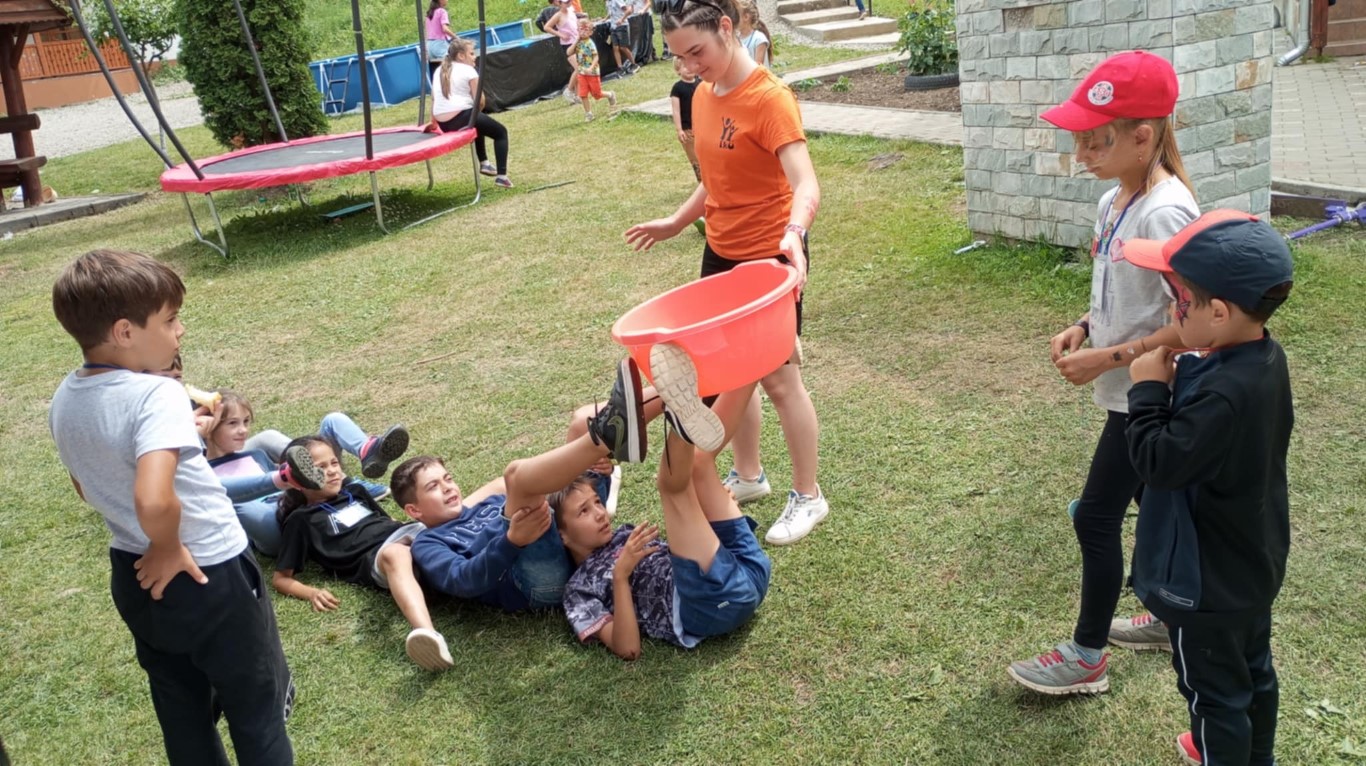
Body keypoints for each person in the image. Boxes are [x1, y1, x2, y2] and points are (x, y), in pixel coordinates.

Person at [49, 249, 293, 765]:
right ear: (125, 331)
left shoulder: (65, 397)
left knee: (183, 715)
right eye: (169, 319)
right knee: (258, 715)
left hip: (134, 574)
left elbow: (86, 486)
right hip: (208, 571)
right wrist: (167, 546)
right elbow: (154, 497)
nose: (180, 331)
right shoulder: (155, 396)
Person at [1006, 51, 1200, 696]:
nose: (1083, 154)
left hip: (1151, 393)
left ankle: (1087, 656)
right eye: (1079, 140)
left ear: (1143, 137)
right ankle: (1173, 612)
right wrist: (1085, 326)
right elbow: (1123, 291)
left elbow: (1193, 326)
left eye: (1097, 141)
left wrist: (1107, 360)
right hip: (1128, 389)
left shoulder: (1165, 214)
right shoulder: (1114, 199)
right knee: (1158, 507)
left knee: (1094, 517)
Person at [626, 0, 827, 546]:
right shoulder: (704, 93)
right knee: (724, 372)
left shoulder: (769, 98)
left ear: (725, 28)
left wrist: (795, 232)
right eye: (679, 58)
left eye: (697, 52)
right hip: (721, 253)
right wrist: (676, 222)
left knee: (779, 379)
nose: (690, 67)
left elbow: (805, 182)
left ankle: (809, 495)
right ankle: (749, 474)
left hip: (770, 260)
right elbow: (714, 177)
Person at [1119, 210, 1294, 766]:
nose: (1173, 313)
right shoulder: (1261, 359)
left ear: (1218, 312)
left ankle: (1222, 749)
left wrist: (1147, 391)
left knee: (1213, 696)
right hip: (1249, 565)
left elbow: (1160, 463)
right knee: (1254, 675)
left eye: (1181, 303)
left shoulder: (1221, 394)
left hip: (1204, 582)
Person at [558, 350, 771, 659]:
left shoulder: (622, 535)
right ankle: (683, 407)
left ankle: (755, 359)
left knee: (699, 464)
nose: (600, 513)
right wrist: (620, 575)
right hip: (714, 604)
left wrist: (710, 513)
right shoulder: (578, 589)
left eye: (596, 502)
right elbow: (628, 648)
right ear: (562, 534)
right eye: (583, 512)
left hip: (745, 565)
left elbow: (685, 549)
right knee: (672, 487)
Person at [404, 358, 646, 610]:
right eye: (433, 486)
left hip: (573, 540)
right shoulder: (428, 543)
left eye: (447, 479)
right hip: (538, 581)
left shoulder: (489, 502)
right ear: (414, 510)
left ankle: (664, 397)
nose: (446, 487)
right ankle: (608, 436)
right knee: (516, 477)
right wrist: (511, 542)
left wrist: (590, 474)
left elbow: (557, 504)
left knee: (581, 421)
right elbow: (463, 580)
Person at [271, 436, 454, 672]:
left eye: (334, 463)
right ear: (299, 479)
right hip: (381, 557)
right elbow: (281, 578)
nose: (332, 471)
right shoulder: (301, 520)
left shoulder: (355, 490)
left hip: (408, 534)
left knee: (445, 524)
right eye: (320, 468)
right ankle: (428, 636)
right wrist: (312, 593)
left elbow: (388, 521)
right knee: (396, 554)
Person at [204, 390, 407, 556]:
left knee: (333, 420)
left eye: (246, 421)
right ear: (207, 425)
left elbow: (294, 484)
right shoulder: (200, 473)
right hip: (276, 528)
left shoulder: (255, 454)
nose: (243, 430)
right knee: (229, 500)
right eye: (232, 423)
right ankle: (346, 486)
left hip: (301, 502)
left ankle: (366, 453)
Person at [430, 39, 514, 189]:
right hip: (461, 116)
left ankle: (485, 163)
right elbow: (479, 101)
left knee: (477, 121)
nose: (475, 57)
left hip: (443, 123)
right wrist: (479, 111)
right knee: (501, 132)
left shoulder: (439, 70)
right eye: (472, 53)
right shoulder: (468, 70)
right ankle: (502, 177)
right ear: (461, 56)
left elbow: (434, 99)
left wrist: (434, 123)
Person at [574, 17, 618, 122]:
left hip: (592, 73)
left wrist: (590, 68)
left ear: (590, 32)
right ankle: (588, 114)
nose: (583, 32)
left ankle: (610, 95)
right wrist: (576, 40)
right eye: (581, 29)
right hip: (581, 73)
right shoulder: (578, 43)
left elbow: (596, 57)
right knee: (583, 94)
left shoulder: (590, 43)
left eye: (586, 30)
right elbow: (568, 52)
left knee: (596, 94)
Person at [670, 56, 700, 180]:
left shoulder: (701, 84)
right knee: (695, 158)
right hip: (688, 129)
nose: (688, 69)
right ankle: (701, 180)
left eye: (690, 65)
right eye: (684, 67)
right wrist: (679, 129)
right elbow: (676, 111)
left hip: (701, 127)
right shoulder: (677, 88)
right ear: (678, 70)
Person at [547, 0, 581, 103]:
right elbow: (547, 27)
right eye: (566, 2)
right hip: (568, 45)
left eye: (569, 2)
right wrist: (560, 35)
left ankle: (578, 95)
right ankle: (569, 90)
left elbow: (576, 24)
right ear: (560, 4)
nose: (568, 3)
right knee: (578, 68)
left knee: (577, 69)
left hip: (576, 41)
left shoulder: (571, 11)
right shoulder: (558, 15)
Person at [736, 0, 771, 68]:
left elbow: (758, 67)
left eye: (736, 15)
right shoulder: (736, 39)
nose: (733, 19)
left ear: (746, 17)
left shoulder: (759, 39)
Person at [607, 0, 639, 75]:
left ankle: (634, 64)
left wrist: (622, 19)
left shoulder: (618, 1)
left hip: (622, 26)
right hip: (613, 26)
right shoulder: (608, 2)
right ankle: (620, 67)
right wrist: (605, 18)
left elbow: (628, 10)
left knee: (623, 47)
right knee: (615, 47)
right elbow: (611, 12)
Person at [425, 0, 454, 80]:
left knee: (436, 71)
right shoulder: (442, 11)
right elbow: (445, 29)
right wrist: (456, 37)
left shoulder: (429, 14)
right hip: (440, 44)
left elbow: (426, 33)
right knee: (451, 66)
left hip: (429, 46)